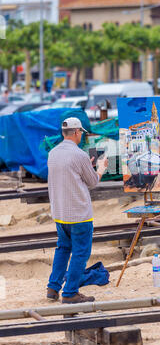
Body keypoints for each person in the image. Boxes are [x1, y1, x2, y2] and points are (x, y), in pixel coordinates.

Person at [46, 117, 108, 304]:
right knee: (81, 253)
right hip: (79, 215)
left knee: (63, 249)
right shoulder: (79, 155)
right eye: (80, 132)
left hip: (60, 213)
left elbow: (71, 174)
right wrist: (100, 169)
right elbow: (93, 182)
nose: (81, 135)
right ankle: (70, 292)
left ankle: (53, 287)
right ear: (75, 132)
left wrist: (86, 166)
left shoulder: (53, 153)